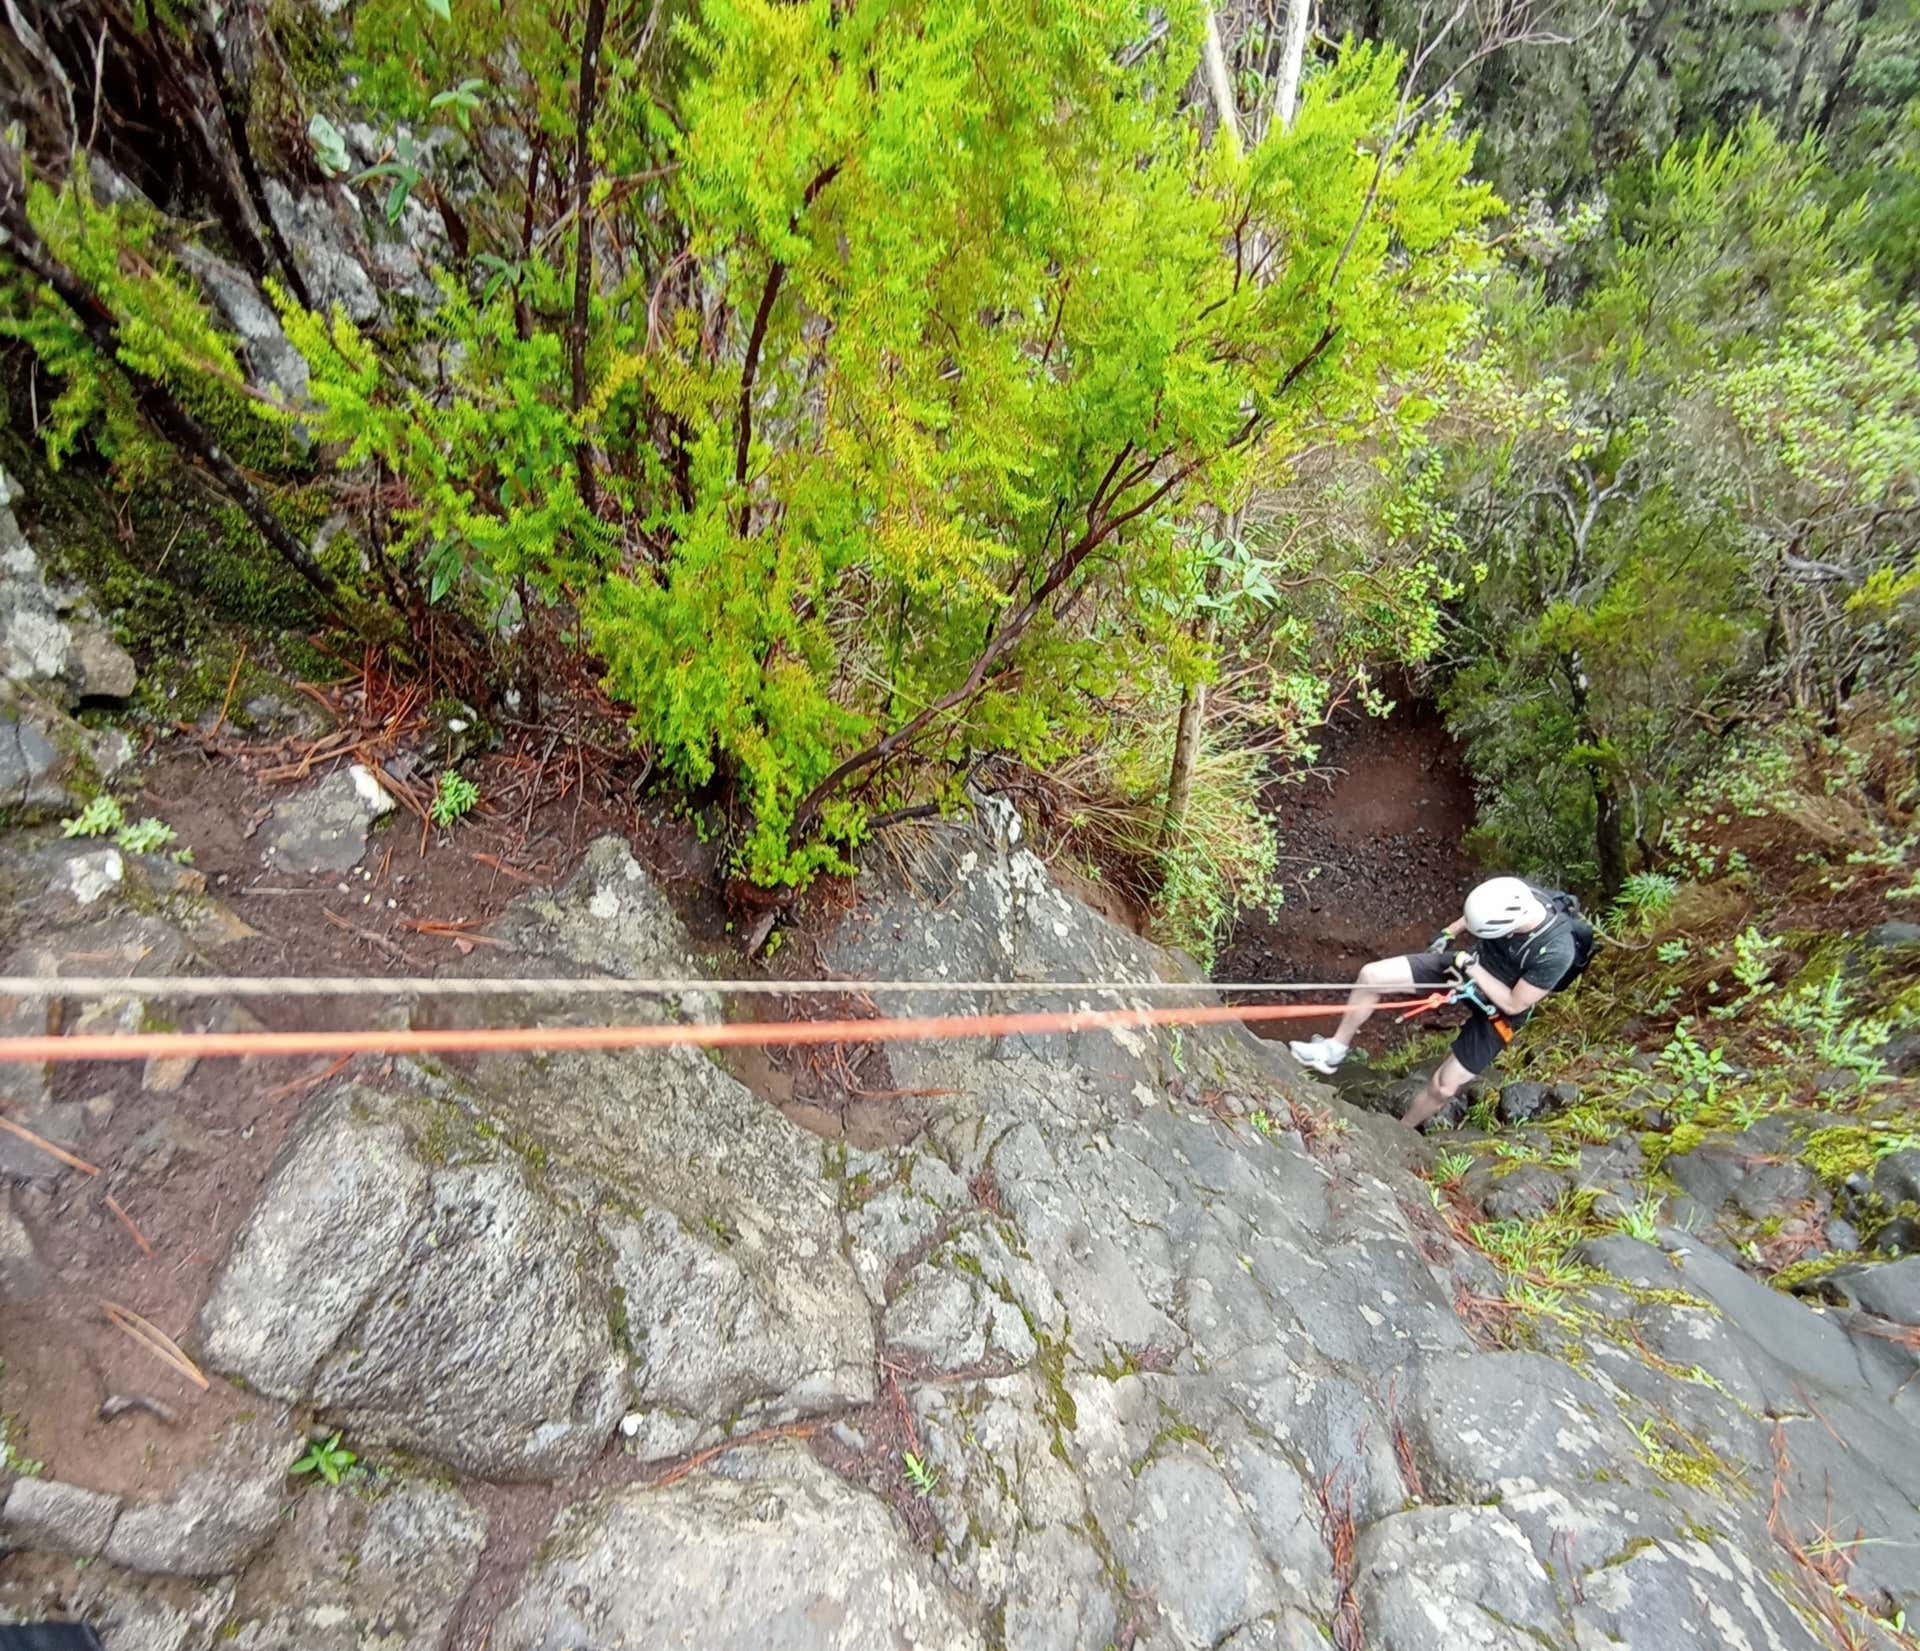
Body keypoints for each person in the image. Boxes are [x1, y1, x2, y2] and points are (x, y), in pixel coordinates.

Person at [1288, 876, 1583, 1130]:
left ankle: (1400, 1131)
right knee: (1371, 976)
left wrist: (1470, 967)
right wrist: (1448, 933)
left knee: (1444, 1086)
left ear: (1507, 929)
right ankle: (1334, 1050)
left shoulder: (1556, 952)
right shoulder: (1509, 893)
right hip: (1467, 966)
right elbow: (1473, 917)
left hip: (1498, 1007)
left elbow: (1514, 1003)